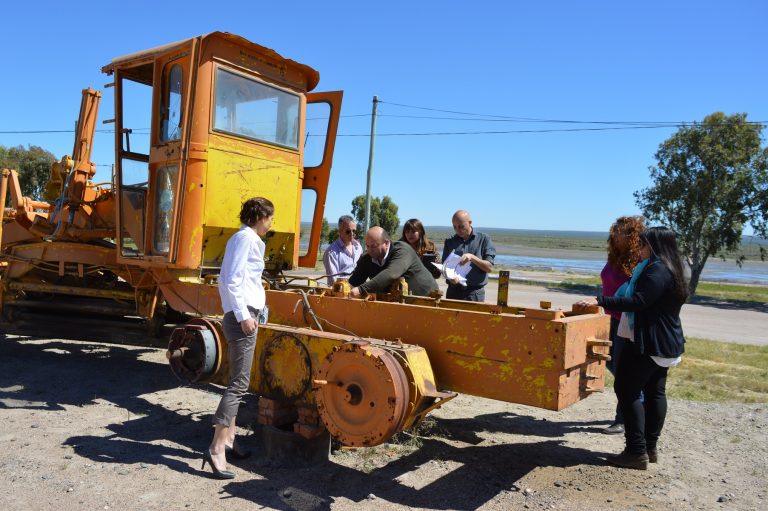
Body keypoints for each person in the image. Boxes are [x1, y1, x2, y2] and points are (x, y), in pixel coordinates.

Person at [577, 227, 688, 470]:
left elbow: (639, 301)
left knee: (627, 390)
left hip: (648, 342)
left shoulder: (657, 269)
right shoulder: (672, 267)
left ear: (655, 246)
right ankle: (649, 447)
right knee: (654, 392)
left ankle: (636, 451)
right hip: (663, 340)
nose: (639, 249)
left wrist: (600, 300)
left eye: (644, 245)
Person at [203, 197, 274, 479]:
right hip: (241, 317)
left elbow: (241, 280)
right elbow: (230, 279)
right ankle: (217, 447)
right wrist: (244, 314)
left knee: (237, 380)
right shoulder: (245, 239)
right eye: (270, 217)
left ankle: (230, 439)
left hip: (243, 313)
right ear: (260, 217)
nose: (271, 223)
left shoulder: (243, 238)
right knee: (238, 385)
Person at [601, 216, 646, 435]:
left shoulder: (639, 259)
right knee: (607, 361)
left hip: (625, 319)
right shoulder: (614, 256)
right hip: (608, 315)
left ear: (632, 236)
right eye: (614, 231)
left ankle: (624, 417)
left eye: (620, 231)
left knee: (622, 369)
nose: (615, 235)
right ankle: (637, 403)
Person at [349, 226, 439, 298]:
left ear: (387, 243)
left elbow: (391, 273)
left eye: (374, 246)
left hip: (427, 298)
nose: (370, 250)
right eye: (367, 246)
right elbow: (354, 282)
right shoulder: (366, 258)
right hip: (398, 303)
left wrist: (361, 290)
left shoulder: (403, 251)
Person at [441, 210, 496, 301]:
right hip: (453, 292)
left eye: (461, 226)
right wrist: (451, 278)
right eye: (455, 227)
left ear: (470, 223)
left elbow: (489, 267)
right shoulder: (449, 242)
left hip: (475, 294)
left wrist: (472, 257)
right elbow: (444, 268)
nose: (458, 230)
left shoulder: (484, 239)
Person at [322, 215, 363, 285]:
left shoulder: (358, 247)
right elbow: (333, 281)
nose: (352, 234)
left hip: (358, 290)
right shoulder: (331, 253)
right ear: (340, 231)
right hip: (341, 293)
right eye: (348, 231)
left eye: (354, 231)